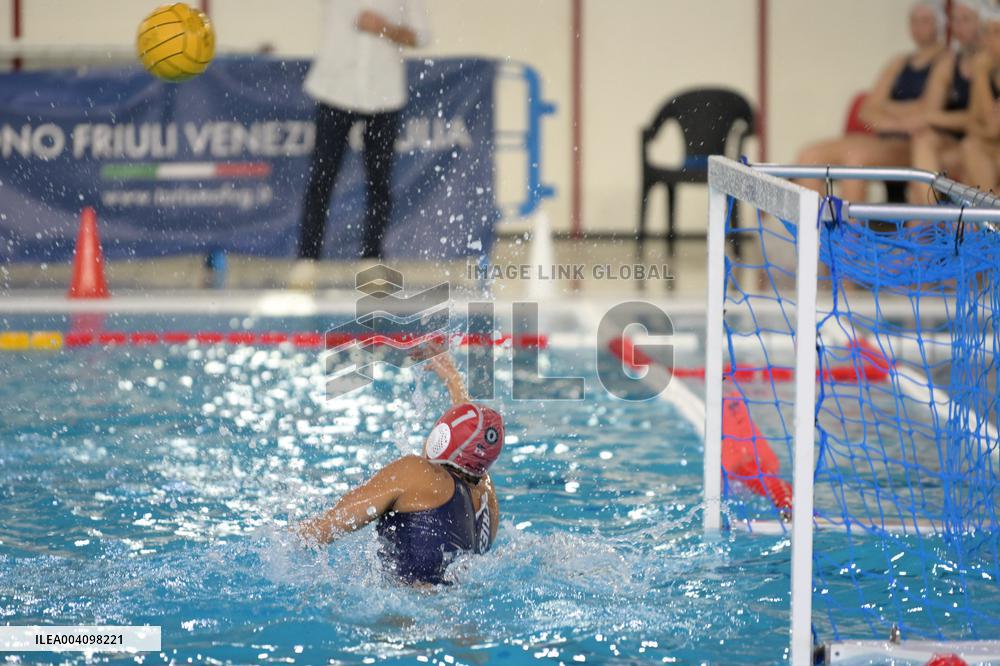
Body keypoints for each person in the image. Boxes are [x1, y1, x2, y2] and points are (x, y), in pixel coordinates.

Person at [298, 349, 503, 585]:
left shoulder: (417, 473)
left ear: (441, 438)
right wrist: (452, 378)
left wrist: (279, 539)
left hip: (401, 616)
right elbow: (474, 441)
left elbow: (325, 529)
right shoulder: (487, 498)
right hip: (453, 613)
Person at [293, 0, 430, 282]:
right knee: (322, 178)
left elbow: (422, 35)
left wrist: (386, 29)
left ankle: (371, 258)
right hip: (335, 91)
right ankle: (307, 260)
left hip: (384, 95)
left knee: (379, 182)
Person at [796, 1, 946, 202]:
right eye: (914, 21)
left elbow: (927, 111)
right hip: (886, 138)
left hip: (913, 144)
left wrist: (885, 110)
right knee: (809, 155)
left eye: (925, 21)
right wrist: (902, 118)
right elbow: (867, 110)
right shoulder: (899, 62)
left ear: (939, 24)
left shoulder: (945, 61)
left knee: (855, 160)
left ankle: (853, 233)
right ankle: (817, 230)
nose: (918, 27)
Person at [908, 0, 983, 203]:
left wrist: (933, 117)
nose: (959, 27)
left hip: (982, 142)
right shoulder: (950, 61)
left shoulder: (988, 62)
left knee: (968, 153)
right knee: (924, 140)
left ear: (981, 22)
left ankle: (929, 223)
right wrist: (933, 117)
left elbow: (978, 119)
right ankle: (931, 220)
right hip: (957, 142)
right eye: (955, 20)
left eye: (966, 20)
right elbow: (930, 110)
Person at [959, 5, 1000, 191]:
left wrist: (981, 73)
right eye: (987, 33)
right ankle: (987, 213)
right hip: (989, 148)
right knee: (971, 147)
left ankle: (986, 214)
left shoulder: (983, 70)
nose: (989, 40)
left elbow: (991, 128)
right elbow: (971, 123)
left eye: (997, 33)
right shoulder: (989, 71)